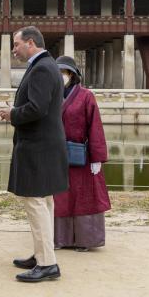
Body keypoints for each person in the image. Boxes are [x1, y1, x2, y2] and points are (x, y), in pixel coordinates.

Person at [0, 26, 68, 283]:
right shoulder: (47, 66)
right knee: (45, 202)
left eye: (16, 44)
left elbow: (37, 108)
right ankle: (42, 255)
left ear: (30, 42)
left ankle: (47, 263)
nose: (14, 49)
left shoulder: (41, 69)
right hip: (46, 144)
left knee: (36, 203)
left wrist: (12, 113)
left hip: (38, 146)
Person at [53, 55, 111, 251]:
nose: (61, 75)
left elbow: (95, 126)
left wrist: (97, 157)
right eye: (58, 72)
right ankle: (60, 239)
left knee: (84, 197)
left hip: (81, 155)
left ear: (72, 74)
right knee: (60, 197)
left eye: (64, 72)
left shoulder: (86, 96)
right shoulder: (50, 94)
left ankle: (85, 240)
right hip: (56, 155)